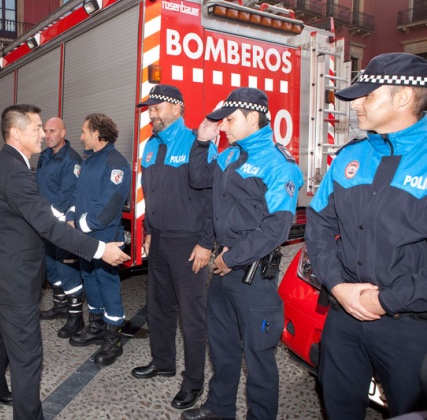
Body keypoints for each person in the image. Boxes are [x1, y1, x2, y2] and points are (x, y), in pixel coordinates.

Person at [0, 104, 130, 418]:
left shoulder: (2, 163)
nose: (42, 134)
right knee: (27, 356)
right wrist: (100, 249)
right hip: (15, 280)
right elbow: (46, 225)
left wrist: (67, 220)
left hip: (2, 273)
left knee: (0, 338)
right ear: (17, 133)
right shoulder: (16, 170)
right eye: (36, 128)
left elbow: (39, 212)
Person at [304, 52, 427, 418]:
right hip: (343, 315)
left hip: (410, 328)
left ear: (404, 97)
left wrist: (387, 300)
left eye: (368, 95)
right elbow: (319, 224)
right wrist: (338, 285)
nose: (356, 103)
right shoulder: (350, 156)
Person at [182, 87, 303, 420]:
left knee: (259, 357)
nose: (224, 127)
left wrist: (229, 259)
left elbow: (275, 229)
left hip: (253, 275)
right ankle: (220, 410)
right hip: (225, 270)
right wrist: (203, 141)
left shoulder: (279, 163)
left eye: (230, 120)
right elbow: (198, 180)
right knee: (221, 347)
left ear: (253, 118)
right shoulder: (229, 155)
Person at [132, 85, 215, 410]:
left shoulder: (197, 142)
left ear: (177, 108)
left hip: (189, 243)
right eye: (149, 109)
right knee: (159, 307)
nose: (151, 113)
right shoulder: (150, 146)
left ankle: (193, 382)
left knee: (192, 316)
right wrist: (149, 230)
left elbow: (210, 196)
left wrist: (206, 242)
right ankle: (162, 361)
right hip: (161, 241)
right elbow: (150, 192)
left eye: (157, 107)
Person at [66, 113, 131, 367]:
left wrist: (80, 224)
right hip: (84, 237)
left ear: (97, 133)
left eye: (84, 132)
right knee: (89, 278)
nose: (81, 137)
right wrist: (71, 215)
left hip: (104, 239)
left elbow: (109, 207)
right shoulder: (90, 161)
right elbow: (77, 194)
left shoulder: (116, 163)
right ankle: (95, 326)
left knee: (107, 282)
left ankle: (113, 338)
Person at [36, 117, 85, 338]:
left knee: (67, 270)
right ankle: (60, 305)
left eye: (52, 131)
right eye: (45, 130)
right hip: (46, 224)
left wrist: (48, 218)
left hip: (62, 225)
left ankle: (76, 318)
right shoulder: (45, 156)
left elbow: (67, 196)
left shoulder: (71, 160)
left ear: (63, 132)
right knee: (51, 267)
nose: (47, 135)